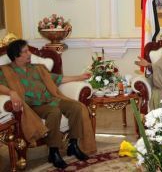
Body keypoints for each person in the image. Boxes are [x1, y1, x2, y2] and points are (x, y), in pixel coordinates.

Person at [0, 39, 96, 169]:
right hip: (33, 106)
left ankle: (73, 145)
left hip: (51, 99)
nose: (29, 54)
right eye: (25, 51)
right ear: (16, 55)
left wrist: (80, 77)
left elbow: (58, 79)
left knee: (77, 107)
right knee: (54, 112)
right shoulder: (6, 71)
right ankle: (54, 151)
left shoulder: (37, 68)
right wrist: (11, 92)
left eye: (28, 50)